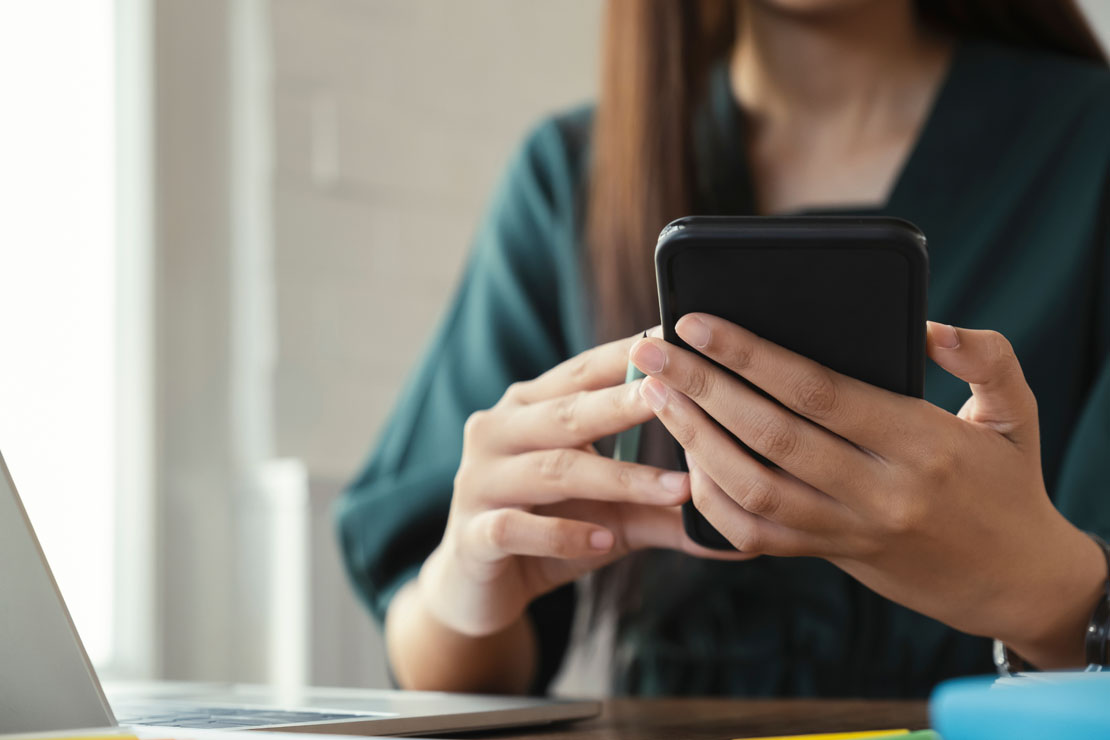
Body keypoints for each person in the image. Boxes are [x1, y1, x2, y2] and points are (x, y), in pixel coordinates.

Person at [337, 0, 1110, 698]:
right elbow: (451, 663)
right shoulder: (572, 178)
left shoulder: (1088, 150)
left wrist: (1046, 596)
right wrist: (465, 590)